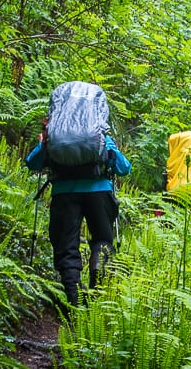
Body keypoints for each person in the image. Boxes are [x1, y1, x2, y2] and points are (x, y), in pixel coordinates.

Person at [25, 123, 131, 307]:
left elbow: (31, 162)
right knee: (103, 240)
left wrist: (43, 143)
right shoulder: (99, 136)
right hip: (99, 192)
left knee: (66, 247)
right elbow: (124, 168)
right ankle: (98, 272)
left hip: (64, 193)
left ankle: (74, 302)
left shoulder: (57, 137)